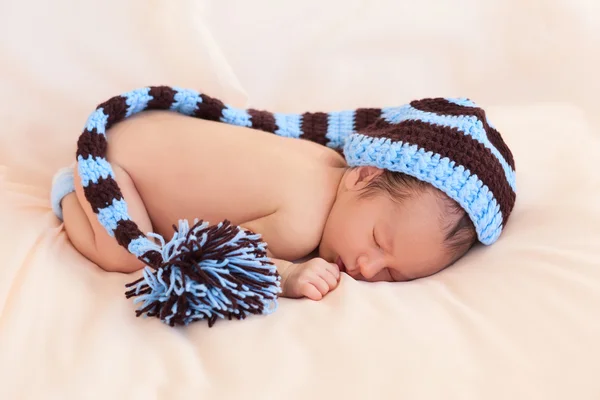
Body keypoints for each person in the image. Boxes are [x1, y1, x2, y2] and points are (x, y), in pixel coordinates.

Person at [50, 89, 516, 302]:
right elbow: (211, 253)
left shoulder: (323, 160)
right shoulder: (301, 224)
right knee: (127, 255)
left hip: (139, 129)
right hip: (113, 166)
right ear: (363, 176)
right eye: (377, 239)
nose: (368, 268)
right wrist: (288, 275)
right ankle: (70, 196)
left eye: (393, 275)